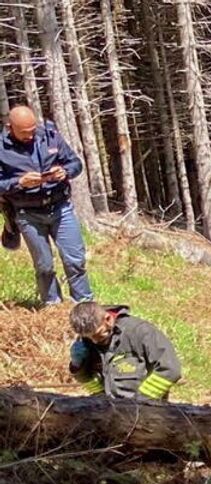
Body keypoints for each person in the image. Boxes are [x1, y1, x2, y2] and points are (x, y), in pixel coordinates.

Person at [0, 106, 89, 307]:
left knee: (75, 260)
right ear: (9, 127)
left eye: (33, 129)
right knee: (44, 266)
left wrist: (65, 172)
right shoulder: (1, 149)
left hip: (60, 207)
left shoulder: (50, 136)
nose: (31, 135)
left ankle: (84, 305)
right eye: (25, 132)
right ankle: (52, 306)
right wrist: (19, 182)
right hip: (27, 214)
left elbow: (76, 163)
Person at [68, 301, 182, 401]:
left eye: (98, 335)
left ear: (107, 319)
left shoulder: (140, 332)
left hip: (146, 411)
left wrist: (139, 402)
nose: (95, 341)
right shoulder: (86, 340)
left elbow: (170, 370)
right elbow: (90, 379)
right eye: (89, 337)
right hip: (110, 411)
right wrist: (79, 367)